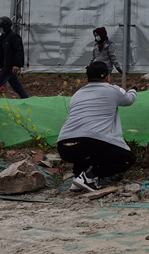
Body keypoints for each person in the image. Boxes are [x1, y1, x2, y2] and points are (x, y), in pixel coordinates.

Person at [57, 61, 138, 191]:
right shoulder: (112, 90)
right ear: (107, 77)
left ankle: (78, 177)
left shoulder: (77, 94)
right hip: (90, 144)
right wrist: (134, 89)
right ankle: (91, 176)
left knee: (86, 149)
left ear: (88, 78)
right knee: (128, 158)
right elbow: (129, 99)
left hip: (64, 147)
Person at [0, 16, 29, 100]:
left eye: (0, 28)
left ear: (5, 27)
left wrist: (17, 64)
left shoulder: (13, 36)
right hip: (6, 65)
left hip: (9, 66)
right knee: (16, 86)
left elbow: (19, 51)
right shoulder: (2, 37)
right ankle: (26, 99)